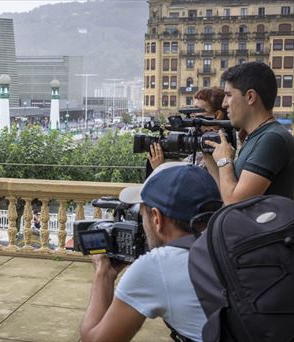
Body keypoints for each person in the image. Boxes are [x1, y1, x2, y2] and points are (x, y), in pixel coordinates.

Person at [80, 162, 222, 342]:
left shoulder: (159, 265)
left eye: (142, 214)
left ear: (157, 218)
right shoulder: (237, 234)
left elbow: (95, 340)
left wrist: (103, 274)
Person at [204, 62, 294, 203]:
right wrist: (210, 160)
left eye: (228, 95)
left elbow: (235, 204)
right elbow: (226, 194)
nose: (224, 104)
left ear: (250, 97)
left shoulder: (272, 139)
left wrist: (224, 161)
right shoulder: (256, 137)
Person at [148, 87, 227, 170]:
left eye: (197, 110)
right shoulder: (197, 142)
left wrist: (160, 168)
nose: (192, 114)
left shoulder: (223, 147)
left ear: (218, 115)